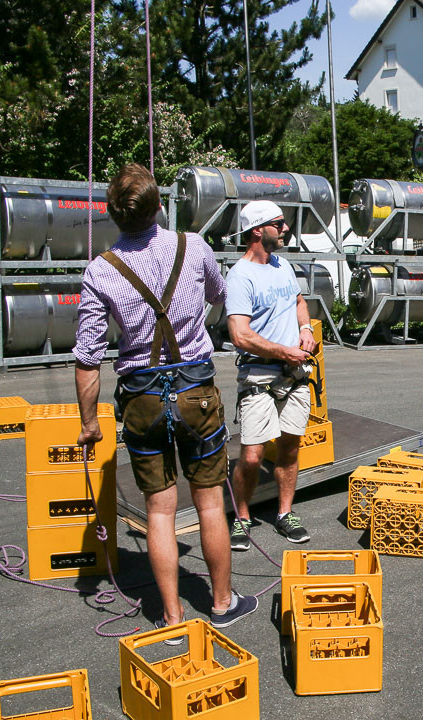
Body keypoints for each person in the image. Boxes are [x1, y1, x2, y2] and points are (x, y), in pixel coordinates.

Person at [74, 163, 258, 633]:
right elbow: (219, 294)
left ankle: (172, 616)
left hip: (141, 396)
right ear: (160, 206)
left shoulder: (100, 269)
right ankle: (221, 602)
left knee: (159, 508)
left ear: (113, 217)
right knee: (210, 502)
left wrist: (89, 423)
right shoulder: (192, 246)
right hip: (195, 387)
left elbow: (88, 358)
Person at [226, 200, 318, 548]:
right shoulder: (240, 277)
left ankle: (284, 513)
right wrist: (284, 351)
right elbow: (240, 335)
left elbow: (298, 302)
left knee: (290, 448)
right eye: (278, 224)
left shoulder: (282, 266)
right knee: (251, 455)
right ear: (257, 231)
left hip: (294, 375)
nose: (285, 229)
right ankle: (242, 516)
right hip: (259, 377)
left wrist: (306, 328)